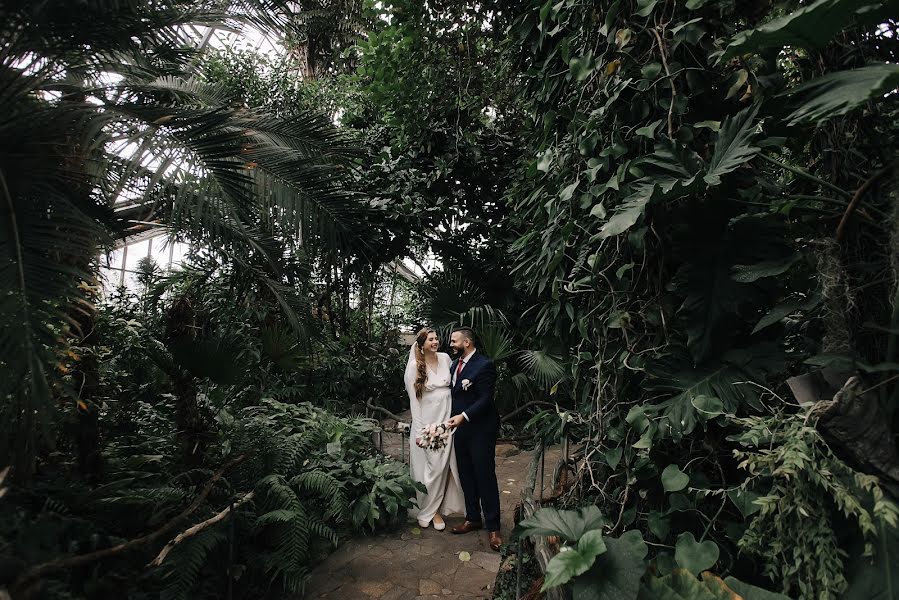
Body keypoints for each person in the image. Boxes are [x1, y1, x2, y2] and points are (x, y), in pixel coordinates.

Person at [445, 326, 503, 551]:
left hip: (480, 430)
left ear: (466, 343)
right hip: (460, 431)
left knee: (484, 476)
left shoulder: (484, 365)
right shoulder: (454, 365)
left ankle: (494, 527)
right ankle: (472, 518)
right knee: (466, 474)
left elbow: (486, 399)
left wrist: (464, 416)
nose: (451, 344)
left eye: (454, 340)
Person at [404, 327, 465, 530]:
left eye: (437, 338)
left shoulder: (446, 358)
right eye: (431, 339)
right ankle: (430, 510)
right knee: (428, 469)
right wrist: (421, 431)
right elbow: (414, 401)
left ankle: (437, 509)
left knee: (444, 467)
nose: (436, 341)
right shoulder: (415, 366)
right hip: (427, 424)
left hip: (446, 422)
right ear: (422, 345)